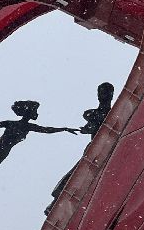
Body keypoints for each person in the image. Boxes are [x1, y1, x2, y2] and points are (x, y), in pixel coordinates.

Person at [46, 82, 116, 214]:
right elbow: (90, 124)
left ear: (110, 95)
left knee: (81, 175)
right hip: (95, 149)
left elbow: (91, 124)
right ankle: (57, 203)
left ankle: (59, 203)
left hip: (104, 149)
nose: (101, 96)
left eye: (104, 92)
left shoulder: (108, 113)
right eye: (100, 92)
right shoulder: (98, 113)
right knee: (77, 175)